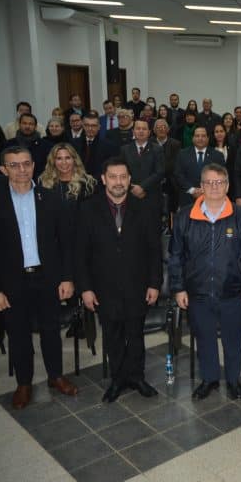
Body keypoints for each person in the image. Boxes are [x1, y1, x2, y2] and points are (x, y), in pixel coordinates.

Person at [75, 157, 162, 403]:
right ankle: (117, 379)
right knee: (112, 335)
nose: (118, 182)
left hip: (138, 285)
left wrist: (155, 283)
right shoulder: (87, 208)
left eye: (123, 177)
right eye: (112, 177)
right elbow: (80, 253)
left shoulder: (145, 207)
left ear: (130, 179)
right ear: (103, 179)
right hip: (104, 287)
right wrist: (86, 289)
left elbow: (154, 250)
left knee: (136, 334)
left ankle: (136, 377)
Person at [169, 163, 241, 400]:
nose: (214, 187)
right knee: (204, 338)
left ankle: (233, 379)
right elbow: (176, 255)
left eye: (219, 182)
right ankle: (209, 379)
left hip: (233, 292)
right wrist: (178, 288)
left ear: (227, 186)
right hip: (197, 292)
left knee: (233, 341)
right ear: (201, 186)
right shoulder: (184, 216)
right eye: (209, 182)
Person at [0, 146, 78, 409]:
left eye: (26, 164)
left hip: (48, 277)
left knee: (51, 330)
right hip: (12, 281)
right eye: (14, 165)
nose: (21, 170)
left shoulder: (50, 197)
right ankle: (24, 383)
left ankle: (55, 376)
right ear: (3, 169)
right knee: (18, 333)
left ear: (34, 166)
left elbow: (66, 242)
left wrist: (67, 277)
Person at [118, 119, 165, 225]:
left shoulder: (157, 149)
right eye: (138, 128)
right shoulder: (124, 150)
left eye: (144, 129)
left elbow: (160, 172)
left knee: (152, 232)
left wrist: (142, 187)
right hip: (130, 196)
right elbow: (121, 172)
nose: (141, 131)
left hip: (151, 197)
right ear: (133, 131)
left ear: (149, 132)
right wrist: (132, 187)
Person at [174, 126, 225, 207]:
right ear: (193, 138)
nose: (200, 138)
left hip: (211, 199)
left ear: (208, 138)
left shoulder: (218, 155)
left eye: (203, 136)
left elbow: (221, 177)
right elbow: (178, 174)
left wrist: (205, 190)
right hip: (187, 199)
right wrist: (192, 190)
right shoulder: (182, 154)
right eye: (197, 136)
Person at [6, 113, 53, 181]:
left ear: (36, 126)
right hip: (15, 183)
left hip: (41, 184)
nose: (27, 126)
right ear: (19, 125)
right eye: (24, 123)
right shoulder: (8, 145)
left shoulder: (47, 145)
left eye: (31, 124)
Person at [74, 113, 119, 178]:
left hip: (100, 182)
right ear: (83, 126)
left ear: (99, 127)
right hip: (78, 180)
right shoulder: (74, 144)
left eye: (93, 126)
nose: (90, 128)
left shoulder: (109, 146)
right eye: (87, 125)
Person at [152, 119, 182, 214]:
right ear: (154, 130)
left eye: (164, 127)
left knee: (171, 211)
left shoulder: (176, 144)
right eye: (158, 127)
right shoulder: (149, 144)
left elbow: (176, 164)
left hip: (171, 181)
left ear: (168, 130)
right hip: (153, 182)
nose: (161, 129)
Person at [211, 122, 237, 193]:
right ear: (213, 134)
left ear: (225, 133)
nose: (219, 134)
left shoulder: (232, 147)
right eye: (216, 132)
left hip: (229, 184)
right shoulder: (209, 149)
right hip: (213, 183)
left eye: (221, 131)